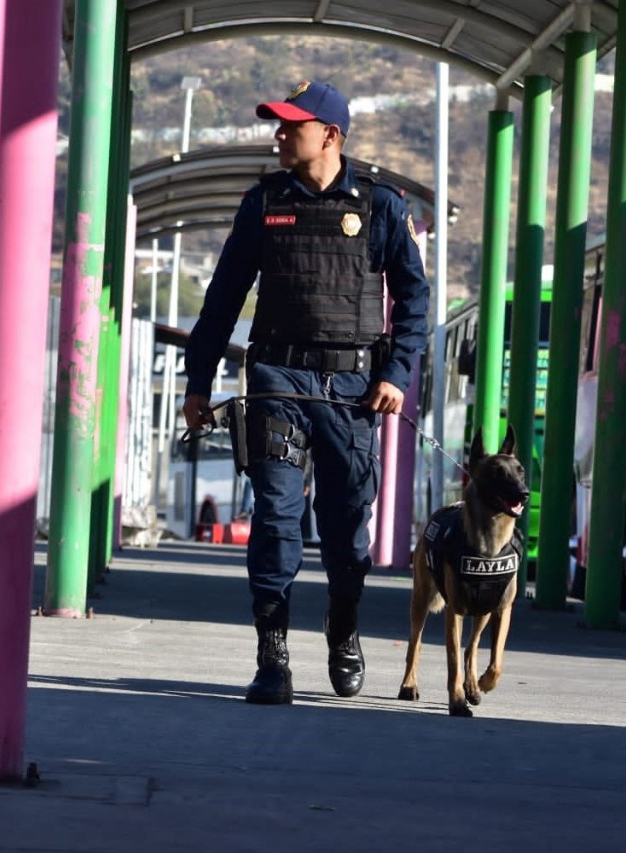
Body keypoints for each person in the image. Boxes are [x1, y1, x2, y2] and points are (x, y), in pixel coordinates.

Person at [181, 81, 429, 705]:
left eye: (291, 126)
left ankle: (342, 629)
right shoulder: (263, 204)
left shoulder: (380, 207)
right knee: (276, 517)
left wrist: (395, 376)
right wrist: (198, 384)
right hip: (277, 380)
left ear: (330, 135)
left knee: (347, 527)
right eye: (278, 125)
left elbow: (415, 299)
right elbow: (221, 301)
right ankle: (273, 657)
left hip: (353, 390)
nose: (278, 134)